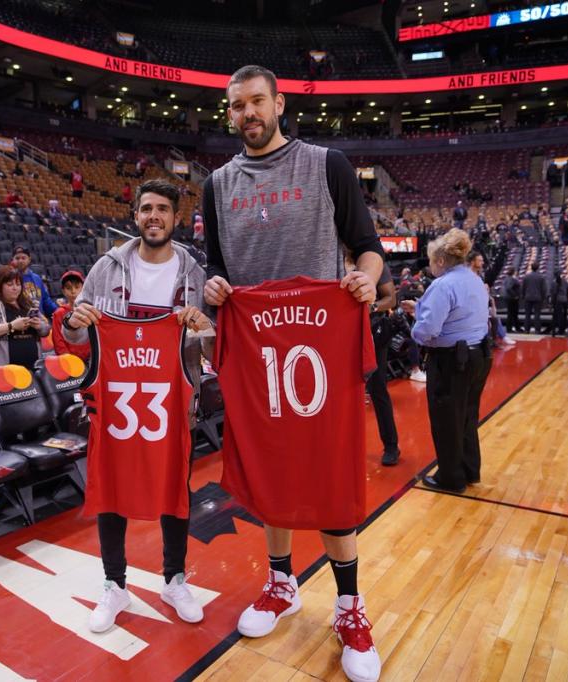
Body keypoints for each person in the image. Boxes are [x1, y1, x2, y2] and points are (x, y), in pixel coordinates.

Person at [201, 65, 385, 682]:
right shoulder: (216, 184)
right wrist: (216, 287)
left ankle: (350, 606)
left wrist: (366, 278)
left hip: (320, 347)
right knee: (270, 469)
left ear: (279, 104)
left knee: (329, 473)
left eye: (257, 101)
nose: (247, 113)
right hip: (257, 354)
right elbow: (217, 273)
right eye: (237, 106)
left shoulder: (327, 163)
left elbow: (368, 246)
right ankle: (281, 584)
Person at [61, 179, 213, 633]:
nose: (153, 216)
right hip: (115, 407)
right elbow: (72, 337)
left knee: (174, 492)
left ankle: (174, 578)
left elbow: (211, 345)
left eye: (162, 209)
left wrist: (204, 326)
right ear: (135, 216)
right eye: (146, 208)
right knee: (112, 493)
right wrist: (74, 320)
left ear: (174, 218)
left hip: (172, 405)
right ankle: (115, 584)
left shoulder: (193, 275)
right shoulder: (105, 269)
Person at [405, 229, 491, 494]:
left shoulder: (442, 285)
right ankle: (469, 469)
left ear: (440, 261)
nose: (430, 266)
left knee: (446, 420)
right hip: (478, 355)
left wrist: (416, 322)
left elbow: (425, 332)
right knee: (466, 416)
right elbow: (458, 313)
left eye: (431, 260)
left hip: (452, 361)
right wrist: (421, 307)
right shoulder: (473, 279)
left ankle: (450, 478)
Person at [0, 265, 50, 367]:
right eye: (10, 284)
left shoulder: (27, 304)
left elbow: (46, 330)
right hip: (2, 371)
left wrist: (39, 326)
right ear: (0, 286)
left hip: (32, 369)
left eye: (18, 284)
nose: (15, 288)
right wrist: (11, 326)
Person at [366, 265, 400, 466]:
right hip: (341, 333)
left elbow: (391, 299)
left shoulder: (376, 263)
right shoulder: (334, 259)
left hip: (374, 332)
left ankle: (391, 445)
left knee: (378, 390)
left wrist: (369, 307)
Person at [50, 270, 90, 359]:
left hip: (90, 359)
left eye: (77, 287)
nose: (73, 291)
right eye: (68, 288)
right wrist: (68, 359)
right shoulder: (59, 313)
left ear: (83, 288)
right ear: (63, 291)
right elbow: (58, 341)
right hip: (69, 361)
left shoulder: (88, 310)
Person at [10, 246, 58, 319]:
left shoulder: (37, 278)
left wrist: (58, 311)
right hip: (20, 321)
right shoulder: (9, 279)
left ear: (29, 259)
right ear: (12, 260)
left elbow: (46, 300)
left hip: (39, 322)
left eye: (23, 258)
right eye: (17, 258)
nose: (20, 261)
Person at [521, 261, 548, 333]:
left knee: (527, 314)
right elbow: (544, 289)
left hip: (528, 297)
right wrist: (543, 298)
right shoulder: (541, 277)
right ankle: (537, 330)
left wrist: (523, 296)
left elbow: (523, 287)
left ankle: (526, 330)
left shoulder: (526, 276)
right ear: (538, 268)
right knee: (537, 314)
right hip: (537, 298)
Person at [550, 269, 568, 337]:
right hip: (564, 300)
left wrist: (552, 303)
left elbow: (553, 293)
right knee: (563, 316)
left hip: (557, 300)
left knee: (556, 316)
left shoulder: (554, 282)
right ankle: (562, 330)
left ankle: (555, 330)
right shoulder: (565, 281)